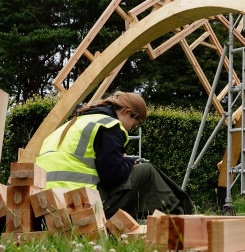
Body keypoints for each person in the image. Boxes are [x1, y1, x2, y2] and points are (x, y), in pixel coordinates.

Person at [36, 91, 193, 219]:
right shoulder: (109, 125)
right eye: (134, 124)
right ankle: (181, 218)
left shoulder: (71, 125)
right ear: (126, 112)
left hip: (45, 204)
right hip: (77, 202)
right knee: (147, 170)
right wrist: (128, 162)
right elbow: (113, 176)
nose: (131, 128)